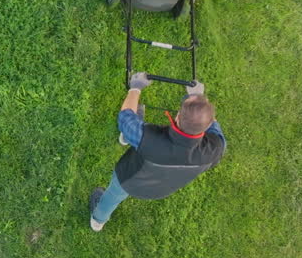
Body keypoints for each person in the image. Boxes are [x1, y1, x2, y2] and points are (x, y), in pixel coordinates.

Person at [88, 72, 226, 231]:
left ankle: (98, 220)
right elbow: (213, 127)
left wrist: (135, 88)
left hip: (128, 180)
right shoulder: (215, 149)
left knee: (113, 196)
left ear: (178, 117)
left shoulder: (149, 140)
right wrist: (198, 100)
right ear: (208, 126)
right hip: (162, 189)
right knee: (135, 134)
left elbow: (126, 120)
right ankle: (97, 223)